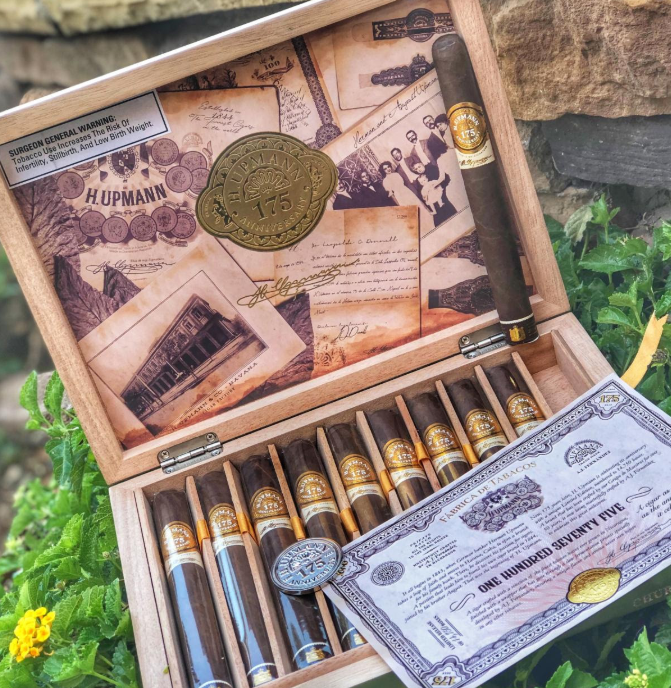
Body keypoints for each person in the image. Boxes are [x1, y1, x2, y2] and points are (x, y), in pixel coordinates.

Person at [379, 161, 434, 228]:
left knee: (417, 205)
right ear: (383, 171)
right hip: (400, 196)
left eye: (388, 167)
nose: (388, 169)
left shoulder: (396, 174)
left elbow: (402, 184)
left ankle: (427, 223)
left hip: (407, 192)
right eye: (385, 169)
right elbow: (392, 195)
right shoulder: (385, 181)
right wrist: (398, 205)